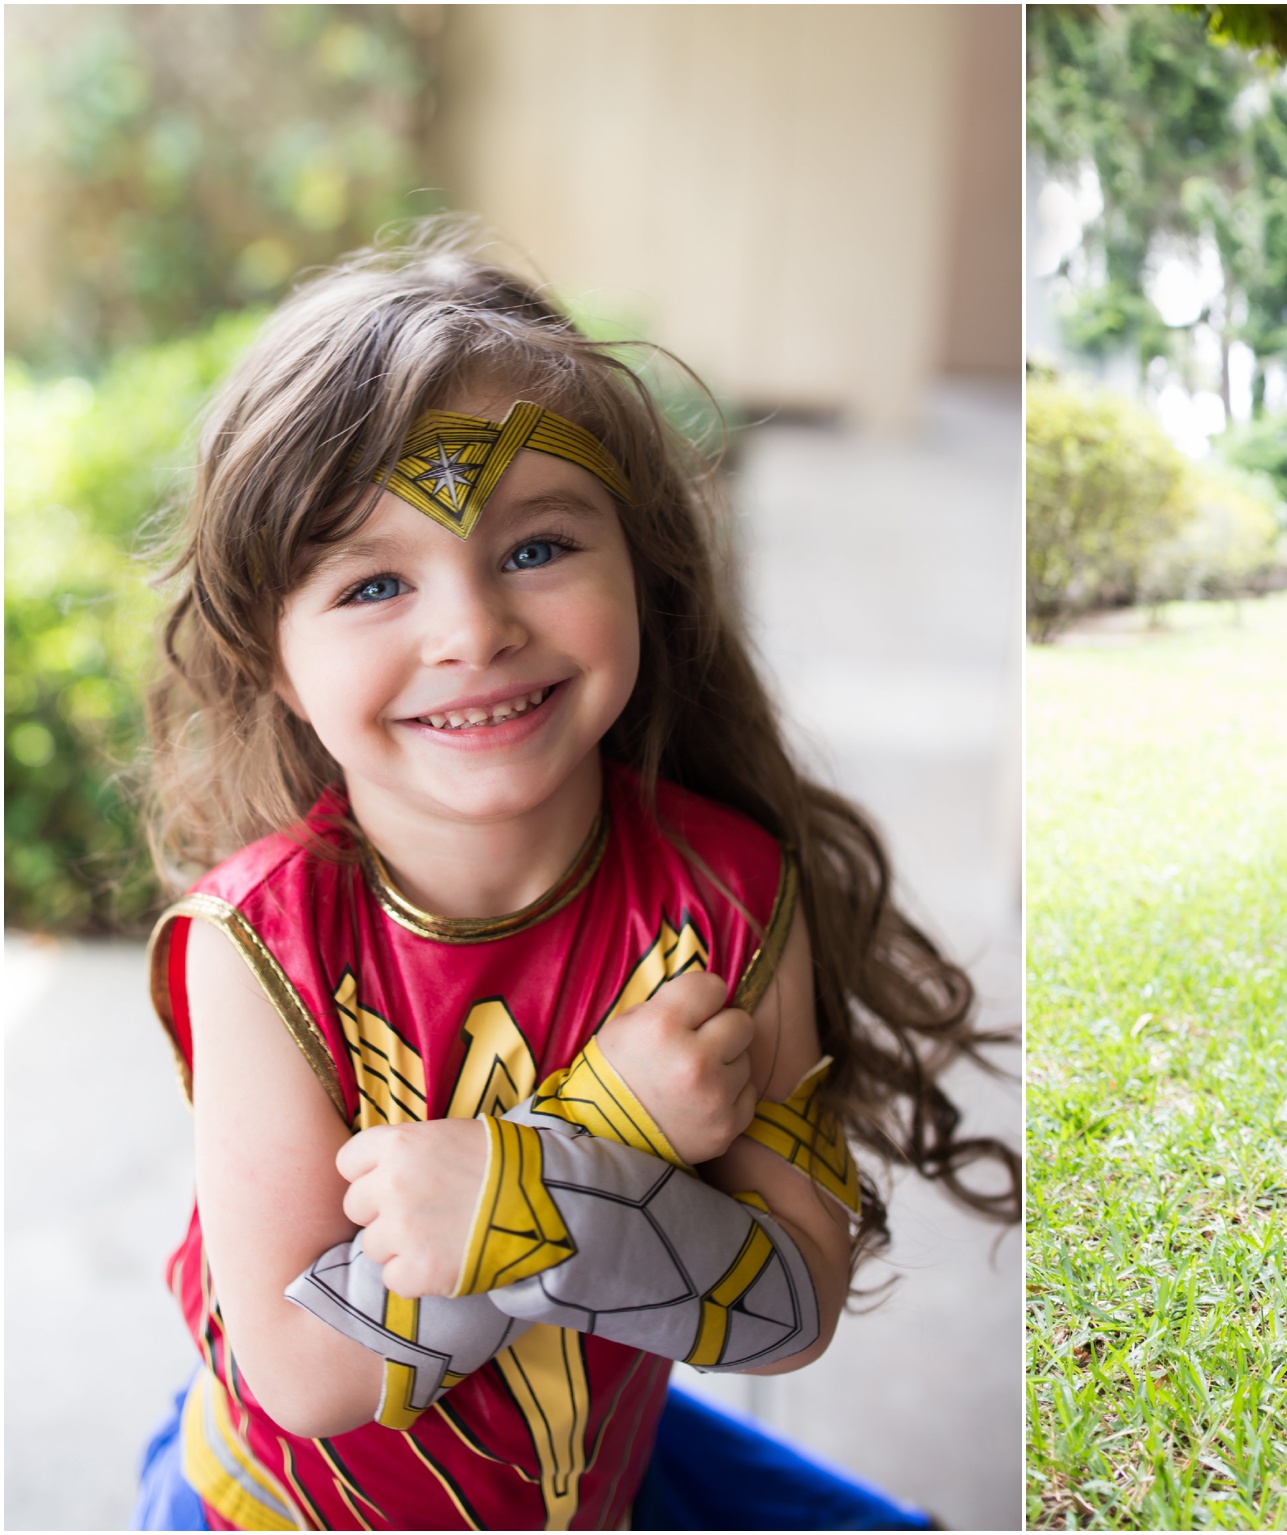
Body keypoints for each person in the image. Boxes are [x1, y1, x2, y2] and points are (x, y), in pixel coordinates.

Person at [132, 225, 1018, 1529]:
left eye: (537, 548)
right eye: (374, 580)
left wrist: (515, 1201)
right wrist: (599, 1137)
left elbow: (792, 1307)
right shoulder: (258, 939)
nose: (472, 628)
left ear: (646, 577)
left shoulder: (724, 896)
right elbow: (312, 1368)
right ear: (274, 655)